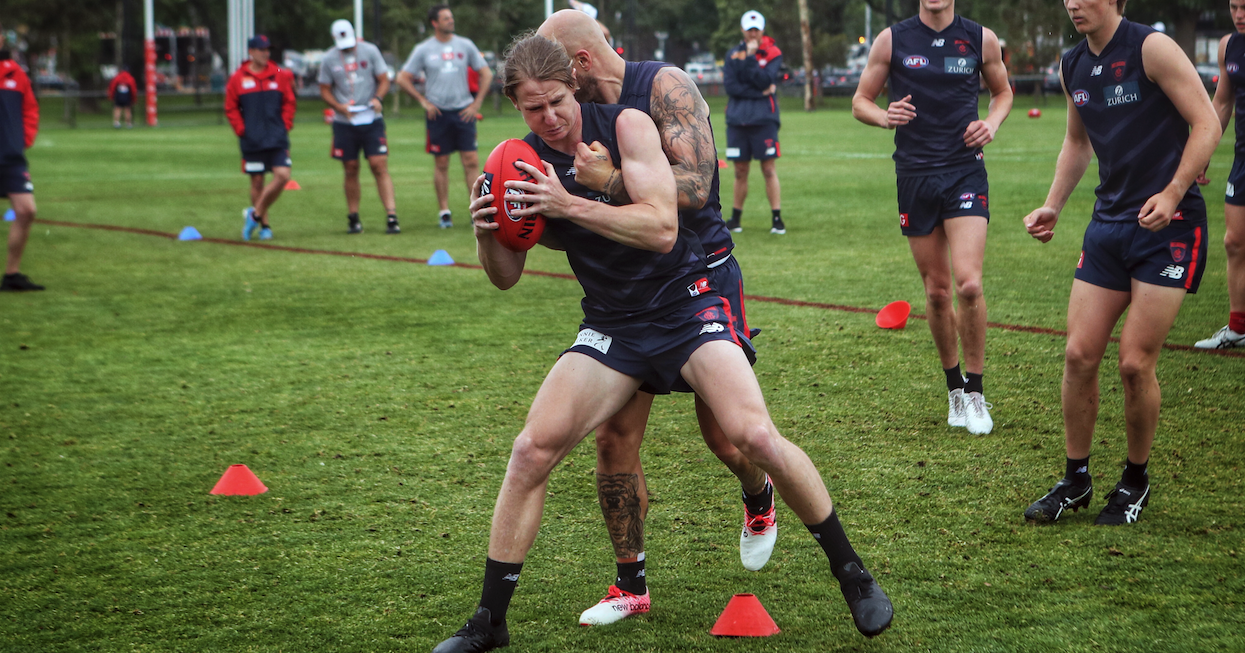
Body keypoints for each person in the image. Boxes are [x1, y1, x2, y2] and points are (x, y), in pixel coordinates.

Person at [430, 34, 892, 653]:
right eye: (535, 108)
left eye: (559, 101)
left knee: (749, 435)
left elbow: (661, 226)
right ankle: (490, 620)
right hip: (614, 326)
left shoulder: (626, 126)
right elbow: (506, 277)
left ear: (575, 83)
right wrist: (488, 234)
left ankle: (853, 575)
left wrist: (571, 202)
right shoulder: (516, 159)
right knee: (531, 451)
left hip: (688, 304)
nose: (551, 118)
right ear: (517, 105)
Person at [536, 9, 775, 627]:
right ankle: (630, 584)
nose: (549, 95)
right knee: (615, 439)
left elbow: (693, 187)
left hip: (703, 281)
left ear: (581, 63)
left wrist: (609, 181)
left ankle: (758, 494)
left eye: (555, 75)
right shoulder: (577, 117)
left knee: (725, 435)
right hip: (628, 295)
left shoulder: (664, 86)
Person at [1021, 0, 1218, 525]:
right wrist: (1053, 205)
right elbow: (1077, 141)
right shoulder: (1072, 64)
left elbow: (1206, 124)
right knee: (1079, 354)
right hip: (1108, 227)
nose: (1073, 4)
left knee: (1134, 363)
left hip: (1169, 229)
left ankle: (1135, 480)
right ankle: (1076, 478)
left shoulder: (1152, 48)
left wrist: (1174, 192)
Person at [852, 0, 1012, 435]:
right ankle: (954, 389)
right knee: (938, 292)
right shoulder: (893, 39)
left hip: (965, 170)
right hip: (915, 176)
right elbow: (860, 102)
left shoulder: (981, 38)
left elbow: (1003, 93)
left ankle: (977, 391)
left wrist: (991, 124)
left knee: (969, 283)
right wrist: (885, 117)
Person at [396, 5, 492, 229]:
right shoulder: (424, 49)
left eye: (451, 17)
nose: (451, 21)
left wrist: (476, 103)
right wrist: (423, 101)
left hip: (464, 112)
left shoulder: (465, 45)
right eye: (446, 18)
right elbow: (402, 77)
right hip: (438, 114)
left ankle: (476, 210)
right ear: (434, 23)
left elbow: (486, 73)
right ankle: (444, 212)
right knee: (441, 163)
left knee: (471, 162)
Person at [319, 19, 400, 235]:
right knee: (351, 168)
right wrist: (338, 106)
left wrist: (378, 98)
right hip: (344, 122)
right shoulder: (328, 58)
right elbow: (324, 88)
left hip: (371, 118)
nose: (347, 47)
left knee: (378, 164)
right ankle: (353, 217)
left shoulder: (370, 51)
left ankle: (392, 216)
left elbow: (384, 79)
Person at [1197, 0, 1245, 350]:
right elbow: (1223, 102)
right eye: (1234, 7)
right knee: (1234, 242)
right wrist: (1204, 150)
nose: (1239, 14)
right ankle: (1238, 327)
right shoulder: (1229, 45)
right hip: (1242, 159)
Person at [225, 35, 296, 241]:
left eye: (268, 49)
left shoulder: (280, 74)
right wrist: (242, 129)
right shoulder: (238, 78)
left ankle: (253, 215)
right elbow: (231, 107)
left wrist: (285, 125)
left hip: (277, 137)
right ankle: (265, 225)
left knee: (283, 175)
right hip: (252, 139)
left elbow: (289, 102)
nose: (266, 53)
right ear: (251, 52)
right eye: (262, 49)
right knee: (257, 182)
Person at [723, 11, 785, 234]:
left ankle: (777, 219)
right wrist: (760, 92)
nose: (753, 33)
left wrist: (751, 59)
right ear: (742, 30)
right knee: (740, 171)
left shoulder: (773, 53)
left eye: (756, 29)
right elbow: (731, 87)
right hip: (737, 121)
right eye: (749, 29)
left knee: (768, 169)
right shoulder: (732, 55)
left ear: (762, 30)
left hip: (764, 121)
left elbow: (765, 79)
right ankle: (736, 219)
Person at [0, 27, 42, 292]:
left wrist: (21, 140)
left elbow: (30, 109)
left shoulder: (15, 72)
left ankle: (11, 275)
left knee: (27, 211)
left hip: (11, 157)